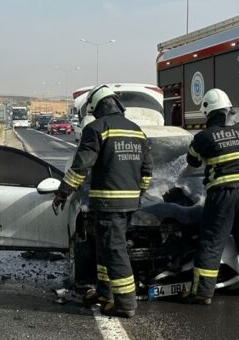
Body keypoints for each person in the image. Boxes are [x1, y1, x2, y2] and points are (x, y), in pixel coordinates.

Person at [53, 85, 152, 318]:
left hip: (107, 203)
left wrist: (63, 192)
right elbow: (147, 171)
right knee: (106, 249)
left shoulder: (95, 129)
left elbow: (81, 166)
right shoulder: (137, 131)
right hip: (129, 205)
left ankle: (125, 303)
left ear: (96, 107)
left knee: (115, 251)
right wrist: (138, 194)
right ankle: (104, 293)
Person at [182, 88, 239, 305]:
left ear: (209, 112)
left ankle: (202, 291)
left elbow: (191, 162)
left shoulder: (204, 137)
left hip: (223, 194)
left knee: (212, 240)